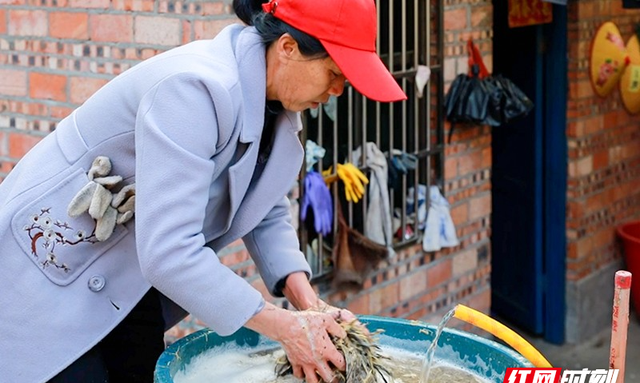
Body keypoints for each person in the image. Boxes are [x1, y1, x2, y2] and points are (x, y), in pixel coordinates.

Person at [0, 0, 406, 381]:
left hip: (127, 281)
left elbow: (265, 208)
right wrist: (286, 328)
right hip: (53, 270)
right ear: (287, 48)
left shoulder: (276, 109)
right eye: (334, 74)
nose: (337, 90)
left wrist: (310, 307)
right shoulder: (194, 89)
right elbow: (170, 252)